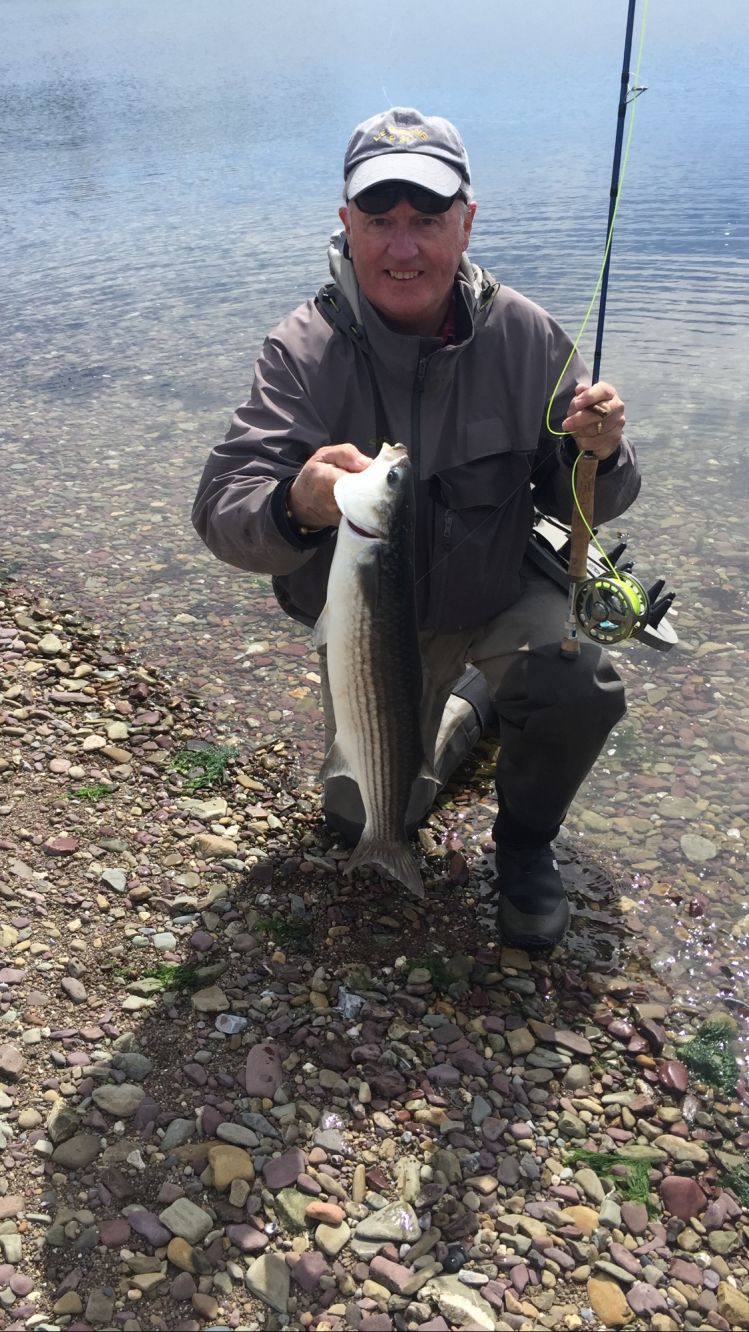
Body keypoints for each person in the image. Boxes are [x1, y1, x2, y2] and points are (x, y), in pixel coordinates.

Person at [192, 106, 640, 950]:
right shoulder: (301, 351)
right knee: (364, 810)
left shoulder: (529, 336)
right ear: (346, 224)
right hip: (375, 622)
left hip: (500, 588)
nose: (404, 249)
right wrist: (298, 501)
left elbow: (594, 504)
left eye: (427, 220)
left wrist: (601, 455)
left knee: (580, 686)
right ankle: (468, 710)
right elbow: (220, 512)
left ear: (466, 222)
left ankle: (524, 847)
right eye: (380, 220)